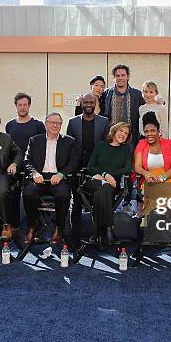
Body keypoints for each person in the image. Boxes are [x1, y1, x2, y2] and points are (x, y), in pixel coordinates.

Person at [134, 112, 171, 248]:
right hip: (150, 179)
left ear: (158, 131)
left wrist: (164, 177)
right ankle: (154, 232)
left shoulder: (169, 143)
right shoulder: (141, 144)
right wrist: (146, 173)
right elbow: (137, 166)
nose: (150, 133)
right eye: (147, 131)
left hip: (170, 177)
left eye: (153, 130)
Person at [23, 112, 79, 245]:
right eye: (52, 122)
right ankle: (32, 226)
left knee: (64, 194)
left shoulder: (69, 141)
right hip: (39, 177)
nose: (55, 125)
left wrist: (61, 174)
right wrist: (34, 173)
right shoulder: (35, 140)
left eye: (58, 123)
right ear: (46, 124)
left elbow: (74, 162)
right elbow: (27, 160)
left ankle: (59, 228)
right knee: (28, 193)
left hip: (58, 177)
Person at [66, 93, 110, 247]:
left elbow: (106, 148)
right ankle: (74, 238)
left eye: (92, 102)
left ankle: (101, 236)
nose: (89, 104)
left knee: (99, 202)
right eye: (86, 102)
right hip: (76, 170)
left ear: (96, 103)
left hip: (96, 171)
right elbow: (69, 148)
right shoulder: (72, 123)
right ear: (81, 104)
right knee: (76, 203)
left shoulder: (104, 122)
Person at [83, 122, 131, 247]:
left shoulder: (126, 149)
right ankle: (109, 228)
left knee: (101, 193)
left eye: (126, 133)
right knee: (102, 188)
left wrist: (109, 177)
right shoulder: (101, 145)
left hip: (111, 185)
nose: (123, 134)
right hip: (94, 181)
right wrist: (105, 175)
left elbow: (127, 168)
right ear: (114, 131)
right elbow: (90, 167)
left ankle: (97, 232)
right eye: (121, 131)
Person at [5, 92, 46, 235]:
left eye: (25, 105)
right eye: (19, 105)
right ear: (15, 106)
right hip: (14, 166)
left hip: (33, 167)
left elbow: (42, 147)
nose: (22, 107)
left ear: (29, 106)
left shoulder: (38, 125)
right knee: (12, 196)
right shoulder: (9, 125)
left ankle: (35, 226)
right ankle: (13, 226)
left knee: (33, 195)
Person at [99, 64, 145, 145]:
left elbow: (148, 105)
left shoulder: (137, 94)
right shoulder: (106, 93)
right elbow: (96, 105)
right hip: (111, 138)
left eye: (123, 75)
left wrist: (158, 100)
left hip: (130, 138)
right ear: (114, 78)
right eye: (117, 76)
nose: (120, 78)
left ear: (128, 77)